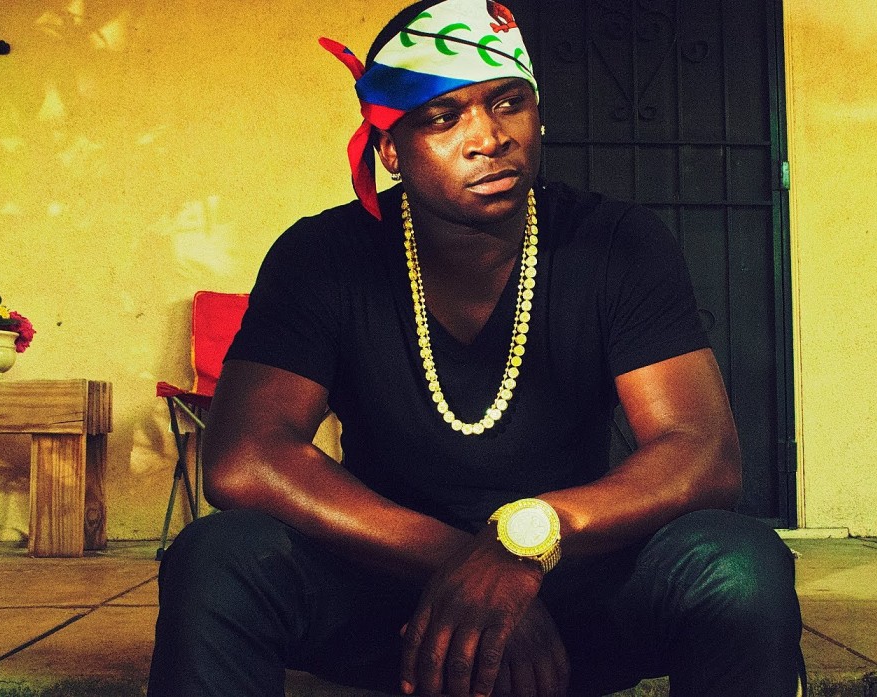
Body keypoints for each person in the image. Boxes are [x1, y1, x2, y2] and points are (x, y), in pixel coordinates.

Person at [147, 1, 806, 695]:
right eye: (442, 117)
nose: (488, 138)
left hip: (572, 595)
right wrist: (464, 561)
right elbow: (246, 456)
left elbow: (702, 452)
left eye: (508, 103)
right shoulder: (324, 256)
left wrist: (528, 545)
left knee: (739, 565)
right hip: (388, 597)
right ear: (390, 148)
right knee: (216, 558)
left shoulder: (616, 244)